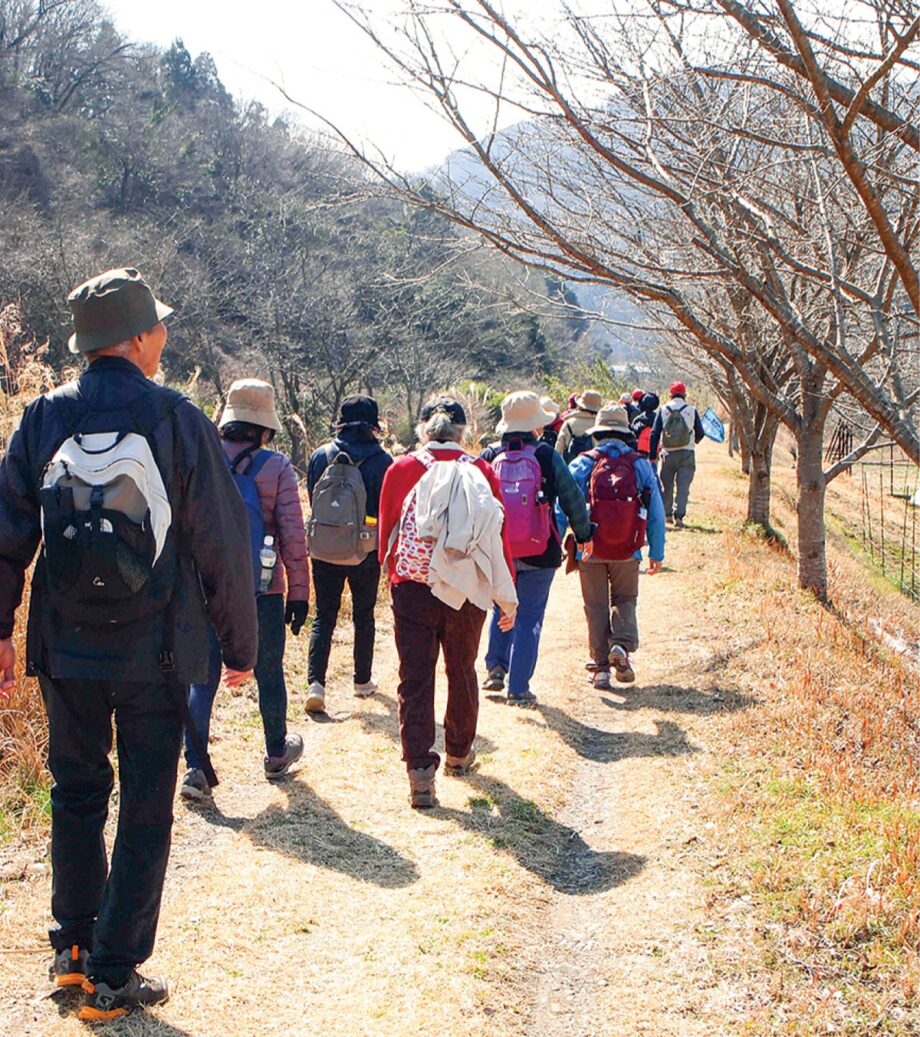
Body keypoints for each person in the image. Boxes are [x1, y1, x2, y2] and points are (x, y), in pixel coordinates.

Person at [0, 269, 257, 1021]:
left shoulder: (42, 417)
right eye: (160, 327)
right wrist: (239, 647)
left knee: (76, 788)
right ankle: (114, 973)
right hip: (157, 649)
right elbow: (222, 545)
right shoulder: (177, 419)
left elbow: (7, 532)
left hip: (63, 646)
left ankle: (74, 948)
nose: (165, 337)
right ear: (141, 337)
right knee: (147, 801)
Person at [377, 397, 517, 808]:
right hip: (466, 588)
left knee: (415, 677)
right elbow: (497, 537)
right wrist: (505, 596)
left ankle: (420, 775)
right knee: (462, 668)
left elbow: (387, 532)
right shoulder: (481, 470)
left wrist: (394, 578)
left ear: (424, 430)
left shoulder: (400, 469)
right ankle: (458, 752)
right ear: (462, 432)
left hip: (413, 587)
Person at [181, 379, 309, 800]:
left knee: (202, 677)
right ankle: (276, 752)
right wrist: (299, 593)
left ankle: (195, 769)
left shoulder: (202, 457)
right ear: (265, 427)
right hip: (262, 588)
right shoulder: (276, 468)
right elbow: (292, 536)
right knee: (269, 671)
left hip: (204, 585)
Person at [480, 392, 594, 706]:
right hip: (539, 549)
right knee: (529, 616)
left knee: (502, 607)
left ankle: (494, 670)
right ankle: (518, 688)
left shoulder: (490, 455)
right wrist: (584, 534)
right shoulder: (545, 455)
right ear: (536, 426)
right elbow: (572, 497)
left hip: (498, 549)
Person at [560, 405, 665, 690]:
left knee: (595, 607)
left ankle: (601, 670)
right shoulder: (640, 464)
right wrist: (657, 552)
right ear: (624, 433)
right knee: (625, 599)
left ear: (597, 434)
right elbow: (656, 510)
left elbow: (563, 505)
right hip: (628, 550)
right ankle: (620, 646)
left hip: (589, 548)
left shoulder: (583, 463)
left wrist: (556, 538)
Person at [305, 395, 393, 712]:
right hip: (364, 551)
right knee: (363, 615)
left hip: (323, 548)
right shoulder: (383, 462)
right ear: (373, 425)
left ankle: (316, 684)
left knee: (324, 617)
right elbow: (386, 508)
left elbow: (312, 494)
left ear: (341, 422)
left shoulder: (320, 456)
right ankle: (362, 680)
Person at [650, 381, 705, 527]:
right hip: (687, 452)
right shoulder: (691, 410)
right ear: (684, 395)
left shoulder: (663, 410)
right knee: (683, 486)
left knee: (666, 485)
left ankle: (667, 514)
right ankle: (679, 516)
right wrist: (693, 441)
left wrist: (652, 454)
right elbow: (701, 432)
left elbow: (655, 433)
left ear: (670, 394)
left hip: (668, 453)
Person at [555, 389, 602, 464]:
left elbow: (558, 448)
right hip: (593, 468)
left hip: (570, 468)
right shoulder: (600, 425)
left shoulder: (569, 422)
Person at [631, 392, 661, 467]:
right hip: (654, 450)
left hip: (640, 450)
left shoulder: (638, 419)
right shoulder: (658, 418)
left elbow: (633, 434)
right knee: (653, 471)